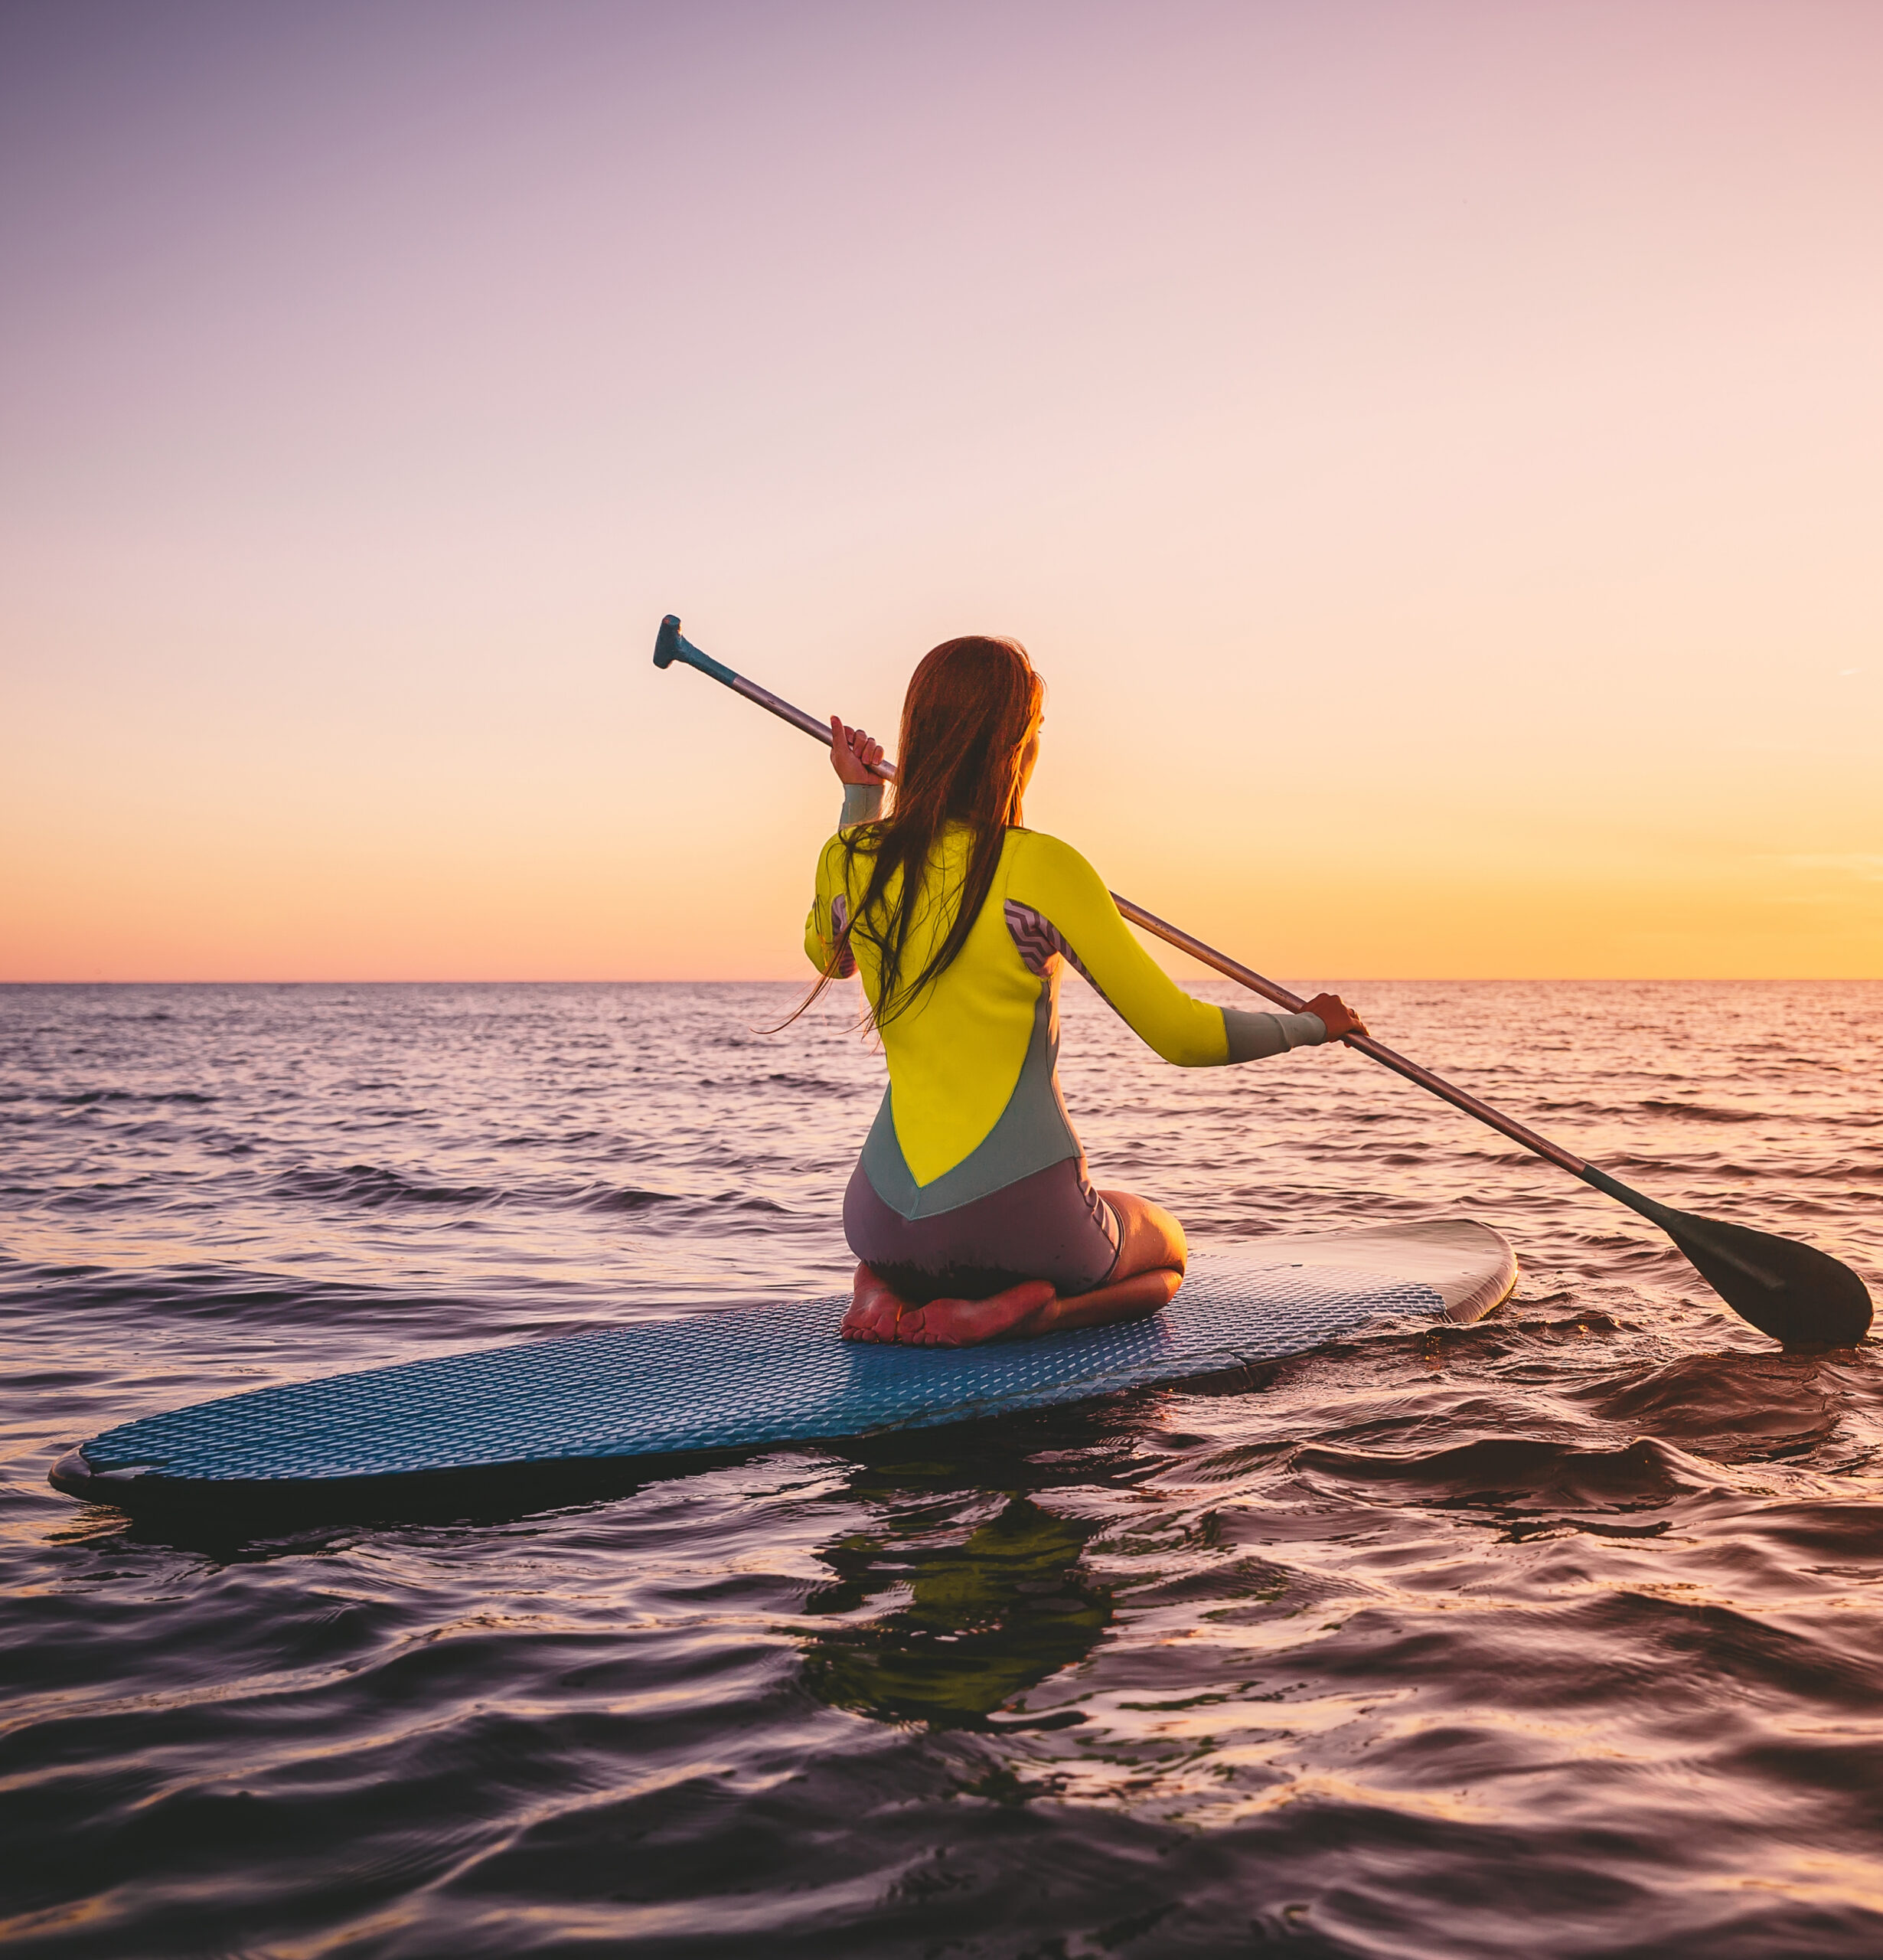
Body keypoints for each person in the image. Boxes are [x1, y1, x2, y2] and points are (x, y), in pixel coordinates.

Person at [802, 635, 1367, 1350]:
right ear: (1015, 746)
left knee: (919, 1246)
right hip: (1022, 1223)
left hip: (878, 1220)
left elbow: (832, 958)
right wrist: (1309, 1025)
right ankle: (1030, 1312)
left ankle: (882, 1284)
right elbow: (1182, 1036)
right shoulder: (1044, 867)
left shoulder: (851, 856)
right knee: (1166, 1251)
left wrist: (860, 803)